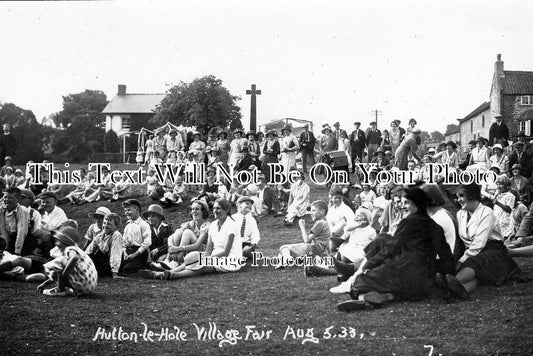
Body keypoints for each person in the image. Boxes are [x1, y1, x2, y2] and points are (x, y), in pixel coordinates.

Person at [335, 187, 455, 310]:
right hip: (422, 284)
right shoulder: (436, 227)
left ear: (417, 204)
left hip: (404, 272)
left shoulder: (408, 222)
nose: (404, 206)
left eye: (407, 203)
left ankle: (364, 299)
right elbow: (448, 257)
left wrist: (368, 265)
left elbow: (390, 248)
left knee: (361, 280)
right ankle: (388, 296)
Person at [442, 183, 519, 300]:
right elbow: (462, 241)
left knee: (474, 262)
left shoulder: (486, 212)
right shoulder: (460, 214)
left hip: (493, 250)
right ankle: (460, 290)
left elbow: (479, 242)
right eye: (457, 197)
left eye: (461, 196)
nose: (458, 200)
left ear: (472, 195)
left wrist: (462, 260)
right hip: (473, 251)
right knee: (477, 273)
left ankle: (447, 286)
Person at [140, 199, 241, 280]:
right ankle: (163, 272)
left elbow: (226, 252)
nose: (215, 211)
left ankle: (169, 275)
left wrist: (204, 259)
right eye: (214, 208)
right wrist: (202, 257)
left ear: (227, 210)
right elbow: (209, 249)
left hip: (229, 259)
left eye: (218, 208)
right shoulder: (214, 225)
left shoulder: (232, 225)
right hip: (214, 255)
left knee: (202, 267)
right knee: (192, 260)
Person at [37, 227, 98, 297]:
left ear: (64, 241)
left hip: (82, 287)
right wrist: (44, 284)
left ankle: (60, 290)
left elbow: (74, 257)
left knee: (60, 262)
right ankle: (63, 288)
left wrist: (65, 273)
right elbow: (58, 274)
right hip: (88, 287)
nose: (56, 244)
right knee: (62, 263)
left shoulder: (70, 249)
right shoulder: (79, 251)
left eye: (58, 241)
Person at [276, 200, 330, 268]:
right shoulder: (326, 223)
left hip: (313, 248)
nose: (311, 213)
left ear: (322, 211)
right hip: (319, 250)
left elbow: (307, 240)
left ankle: (288, 260)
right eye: (310, 211)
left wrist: (302, 226)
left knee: (284, 248)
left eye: (313, 210)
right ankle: (288, 260)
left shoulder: (320, 223)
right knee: (281, 255)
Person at [159, 200, 210, 269]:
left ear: (203, 212)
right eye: (192, 209)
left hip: (202, 253)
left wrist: (177, 248)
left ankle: (176, 262)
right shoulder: (191, 223)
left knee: (187, 232)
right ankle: (168, 260)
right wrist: (171, 248)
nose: (194, 211)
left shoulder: (207, 226)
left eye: (197, 209)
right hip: (189, 251)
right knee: (179, 231)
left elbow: (196, 245)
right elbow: (171, 237)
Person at [119, 199, 151, 274]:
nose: (127, 213)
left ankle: (145, 265)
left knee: (127, 269)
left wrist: (135, 254)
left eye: (129, 210)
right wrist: (125, 252)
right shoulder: (128, 225)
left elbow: (147, 242)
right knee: (118, 268)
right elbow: (124, 241)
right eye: (125, 211)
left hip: (140, 253)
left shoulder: (143, 224)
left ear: (136, 209)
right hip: (129, 251)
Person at [85, 213, 123, 278]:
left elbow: (115, 254)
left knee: (99, 255)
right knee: (92, 254)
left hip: (113, 264)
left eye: (109, 224)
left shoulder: (116, 235)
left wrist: (114, 273)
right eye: (104, 223)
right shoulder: (100, 235)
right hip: (104, 262)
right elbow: (89, 250)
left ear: (116, 227)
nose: (105, 226)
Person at [0, 187, 29, 254]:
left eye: (10, 198)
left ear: (18, 199)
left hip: (22, 240)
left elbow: (21, 232)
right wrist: (6, 248)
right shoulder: (2, 209)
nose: (6, 200)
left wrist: (17, 252)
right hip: (8, 237)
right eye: (5, 197)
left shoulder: (22, 210)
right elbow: (3, 229)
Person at [492, 175, 516, 240]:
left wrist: (498, 203)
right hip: (497, 218)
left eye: (501, 184)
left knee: (505, 236)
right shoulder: (499, 195)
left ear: (506, 185)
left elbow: (508, 209)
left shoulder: (510, 196)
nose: (498, 186)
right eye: (497, 184)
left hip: (505, 219)